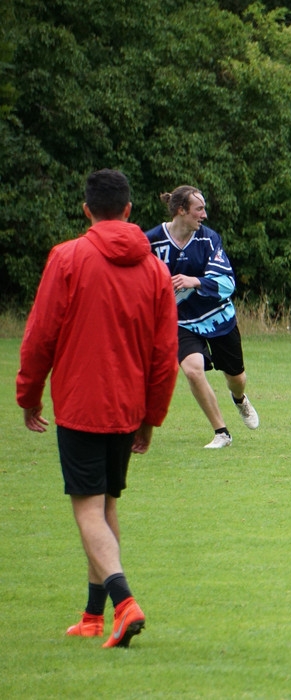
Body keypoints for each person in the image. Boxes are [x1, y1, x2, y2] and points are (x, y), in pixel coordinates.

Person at [17, 169, 179, 648]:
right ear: (129, 210)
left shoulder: (67, 258)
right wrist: (151, 417)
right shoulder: (154, 270)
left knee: (87, 510)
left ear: (87, 209)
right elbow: (162, 354)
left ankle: (124, 603)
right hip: (128, 408)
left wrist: (29, 394)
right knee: (106, 506)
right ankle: (92, 615)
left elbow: (40, 335)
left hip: (82, 406)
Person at [146, 186, 259, 449]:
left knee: (237, 379)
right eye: (199, 209)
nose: (204, 215)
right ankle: (222, 433)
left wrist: (194, 281)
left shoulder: (209, 240)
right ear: (181, 211)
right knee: (193, 370)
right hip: (181, 323)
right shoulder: (151, 241)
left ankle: (240, 399)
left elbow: (228, 283)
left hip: (218, 318)